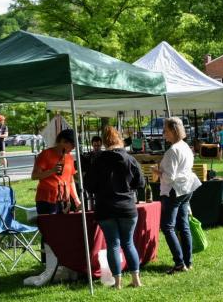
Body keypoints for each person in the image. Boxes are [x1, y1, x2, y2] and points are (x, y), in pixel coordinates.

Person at [84, 126, 144, 289]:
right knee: (128, 243)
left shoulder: (98, 161)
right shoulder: (130, 159)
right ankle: (136, 280)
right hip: (127, 206)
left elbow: (89, 185)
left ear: (103, 142)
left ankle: (117, 283)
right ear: (120, 140)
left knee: (113, 244)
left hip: (105, 207)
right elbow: (140, 183)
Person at [151, 117, 201, 274]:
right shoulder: (185, 146)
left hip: (175, 190)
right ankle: (188, 261)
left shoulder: (173, 151)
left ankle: (180, 263)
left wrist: (157, 172)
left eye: (165, 130)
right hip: (186, 188)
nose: (163, 133)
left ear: (173, 130)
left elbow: (170, 177)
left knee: (168, 227)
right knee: (183, 225)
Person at [31, 129, 82, 214]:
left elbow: (70, 180)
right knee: (50, 226)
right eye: (72, 145)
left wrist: (76, 199)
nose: (73, 148)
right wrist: (52, 171)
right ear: (63, 141)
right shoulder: (45, 154)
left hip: (64, 199)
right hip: (46, 200)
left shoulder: (69, 157)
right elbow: (34, 176)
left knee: (63, 226)